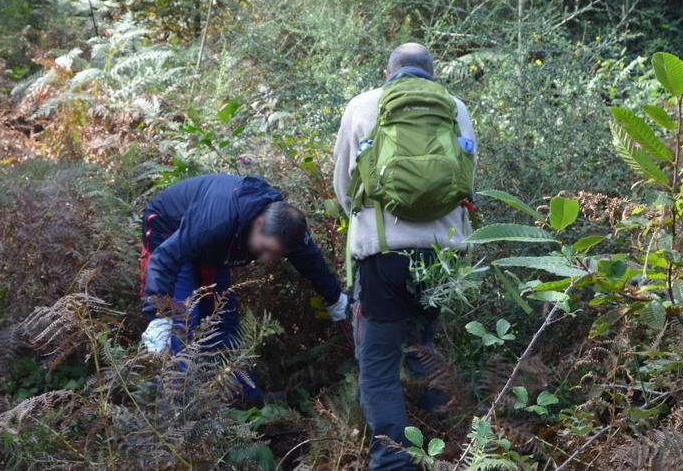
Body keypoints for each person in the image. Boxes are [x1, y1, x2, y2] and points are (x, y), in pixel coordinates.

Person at [333, 43, 477, 470]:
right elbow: (468, 180)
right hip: (441, 257)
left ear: (388, 72)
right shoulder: (455, 108)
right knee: (423, 349)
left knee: (378, 365)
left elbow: (343, 185)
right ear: (433, 73)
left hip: (382, 258)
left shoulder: (362, 106)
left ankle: (394, 463)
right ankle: (448, 447)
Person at [138, 173, 349, 400]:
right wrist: (159, 316)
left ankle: (246, 400)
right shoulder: (215, 222)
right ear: (258, 223)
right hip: (170, 230)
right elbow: (164, 259)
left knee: (222, 319)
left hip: (213, 248)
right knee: (183, 321)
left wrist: (335, 298)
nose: (268, 259)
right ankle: (179, 409)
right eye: (267, 249)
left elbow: (311, 261)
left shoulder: (286, 226)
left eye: (278, 255)